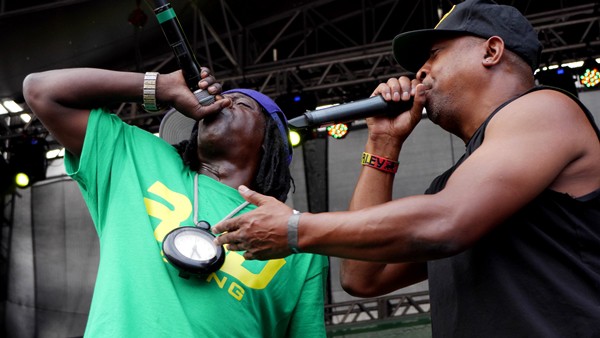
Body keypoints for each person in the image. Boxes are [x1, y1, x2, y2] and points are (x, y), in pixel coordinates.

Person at [211, 0, 600, 336]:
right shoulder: (451, 188)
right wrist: (384, 143)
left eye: (434, 53)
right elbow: (363, 276)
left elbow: (448, 221)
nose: (420, 72)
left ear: (491, 51)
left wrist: (295, 228)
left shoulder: (546, 109)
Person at [22, 67, 328, 337]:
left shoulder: (293, 236)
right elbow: (41, 90)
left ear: (268, 142)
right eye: (221, 100)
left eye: (242, 104)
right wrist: (161, 87)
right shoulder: (136, 156)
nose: (223, 102)